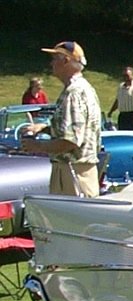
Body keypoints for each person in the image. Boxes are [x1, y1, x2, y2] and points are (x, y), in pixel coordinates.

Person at [20, 41, 102, 197]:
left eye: (54, 58)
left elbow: (70, 141)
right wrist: (43, 128)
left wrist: (37, 146)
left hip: (72, 173)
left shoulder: (73, 93)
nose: (51, 63)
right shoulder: (84, 88)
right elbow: (75, 129)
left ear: (66, 60)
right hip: (79, 172)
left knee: (70, 221)